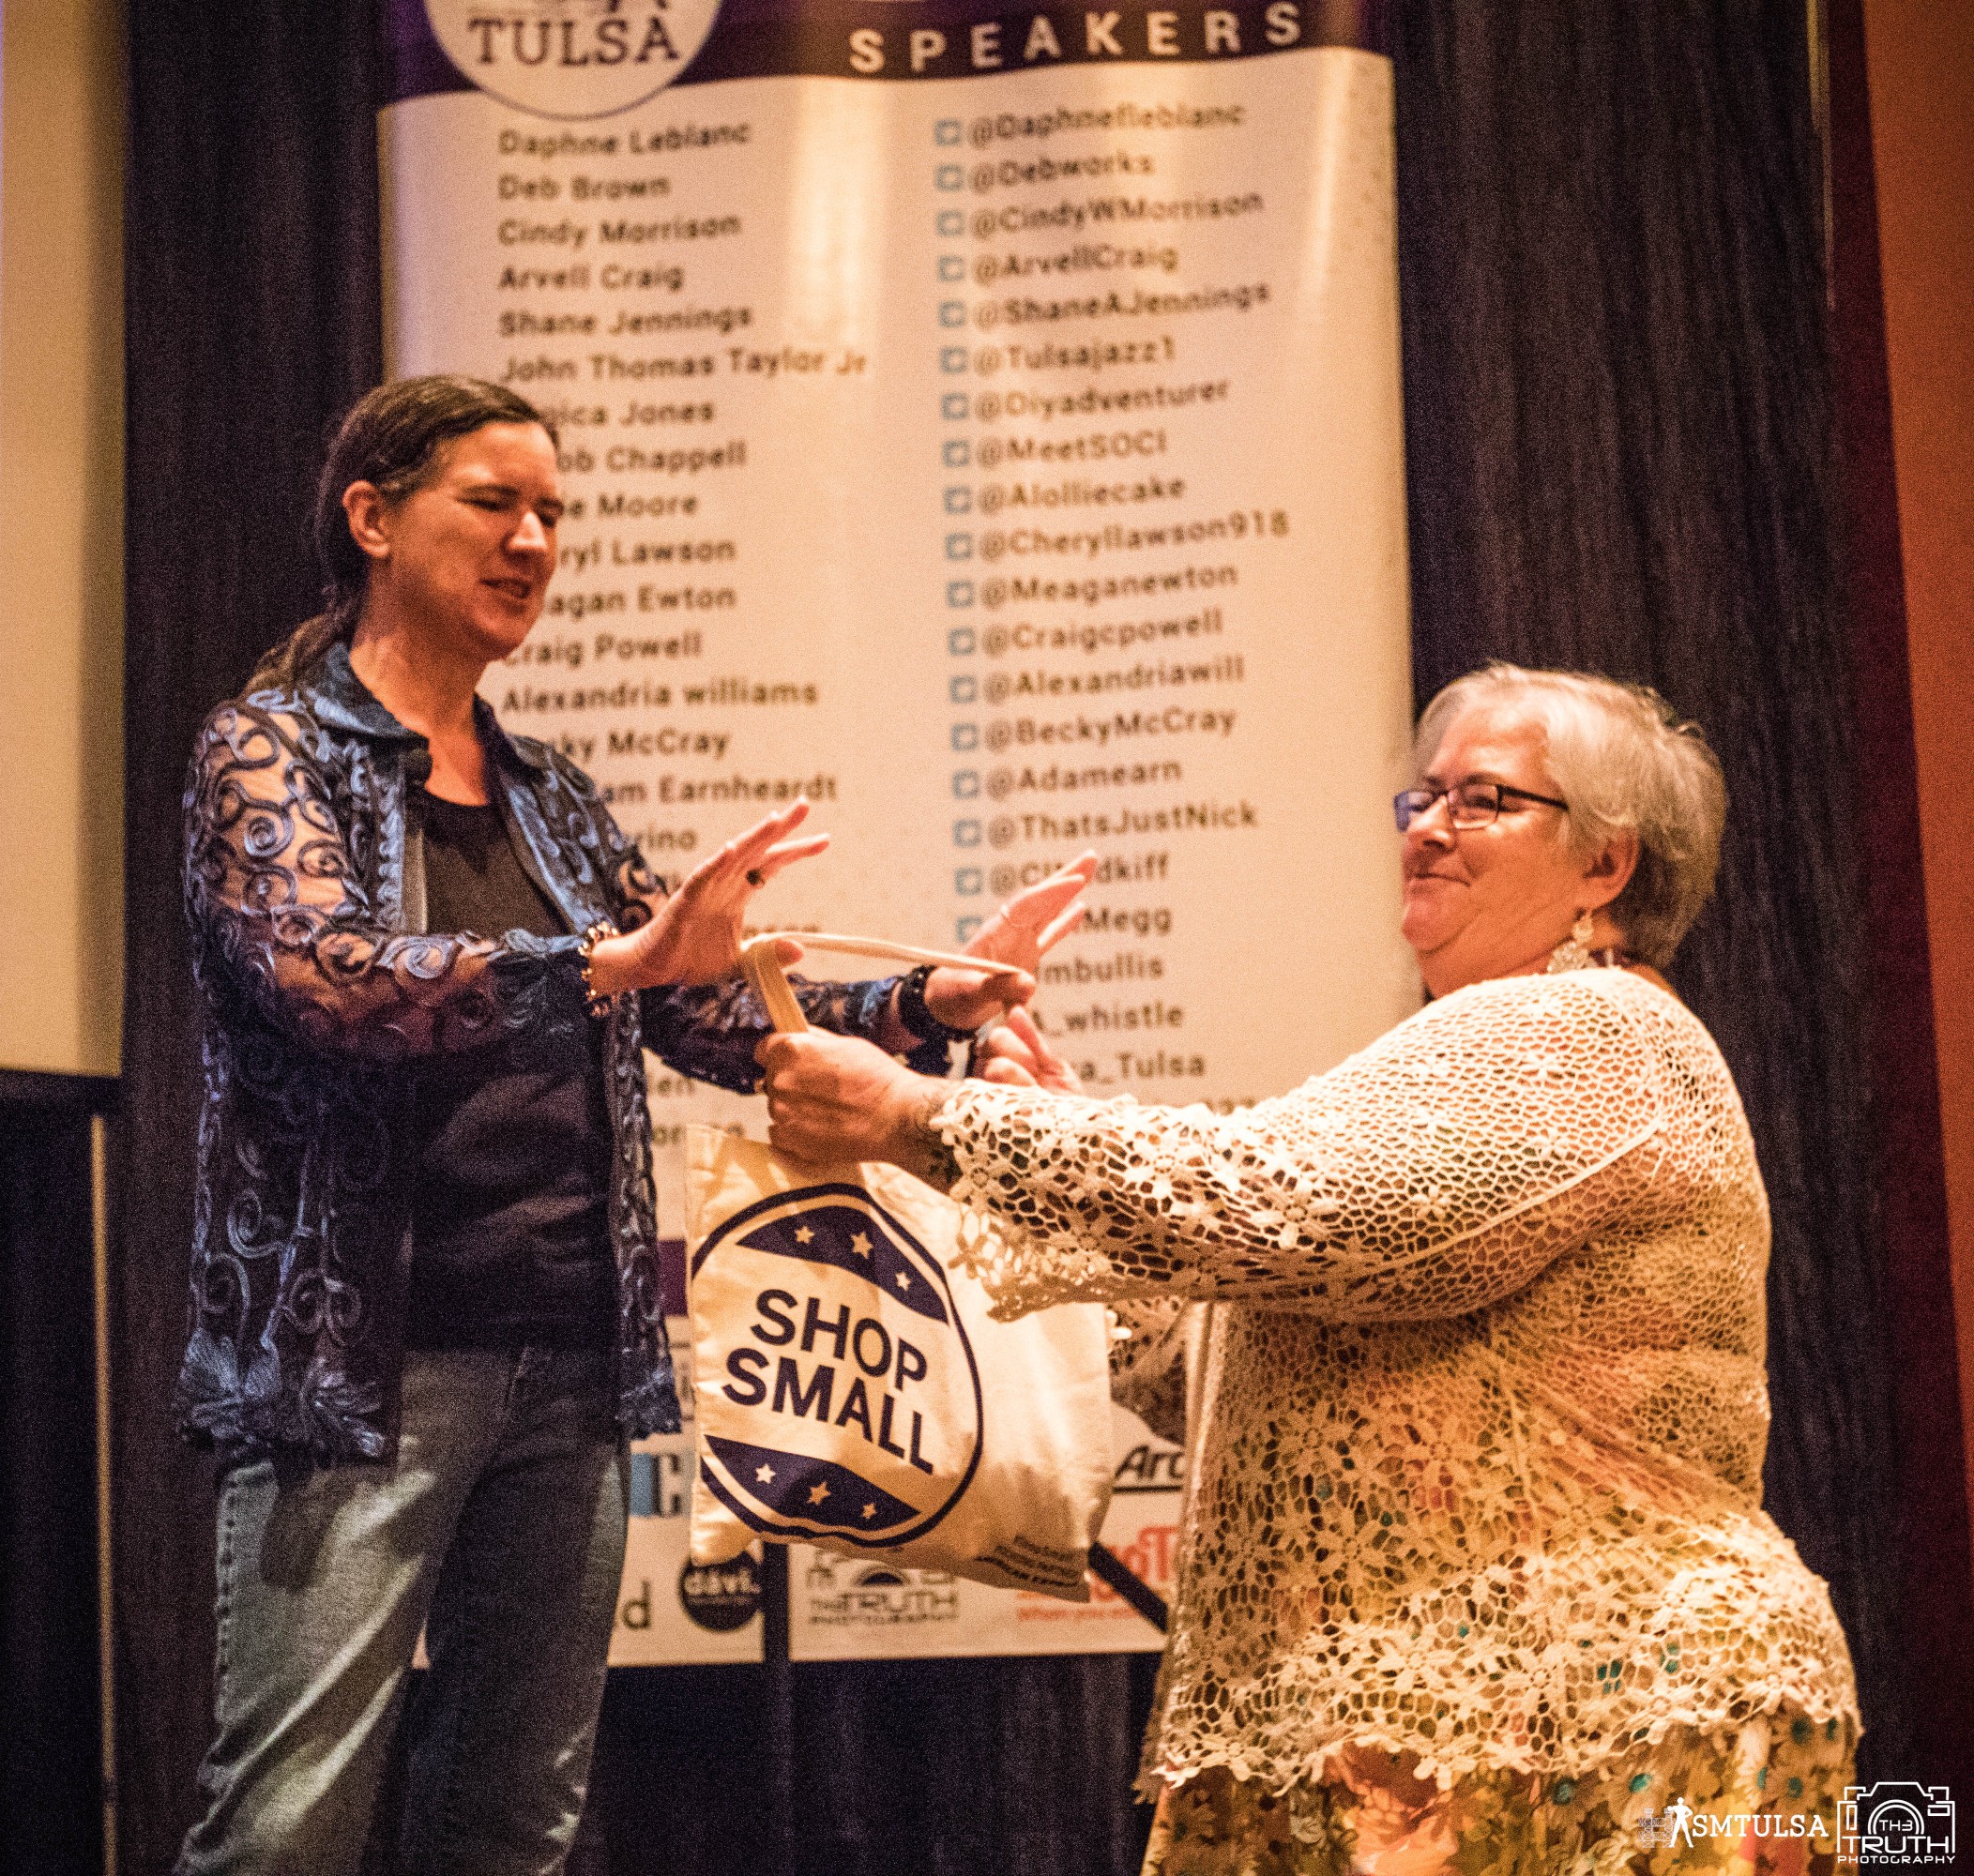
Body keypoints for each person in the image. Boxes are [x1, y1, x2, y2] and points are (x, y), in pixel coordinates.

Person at [174, 373, 1092, 1875]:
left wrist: (926, 998)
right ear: (373, 518)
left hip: (572, 1364)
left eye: (553, 512)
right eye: (494, 502)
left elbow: (701, 1009)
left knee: (511, 1826)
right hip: (360, 1372)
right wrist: (603, 965)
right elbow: (327, 980)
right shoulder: (269, 749)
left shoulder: (549, 793)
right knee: (288, 1827)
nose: (533, 540)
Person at [760, 665, 1860, 1876]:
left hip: (1600, 1727)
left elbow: (1288, 1204)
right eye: (1423, 797)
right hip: (1436, 1739)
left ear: (1606, 865)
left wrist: (927, 1117)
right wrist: (1041, 1153)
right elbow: (1216, 1361)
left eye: (1485, 800)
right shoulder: (1478, 1052)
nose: (1428, 828)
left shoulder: (1597, 1030)